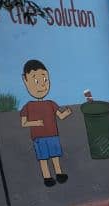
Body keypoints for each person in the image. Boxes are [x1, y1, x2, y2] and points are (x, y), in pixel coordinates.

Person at [20, 59, 72, 187]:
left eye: (45, 80)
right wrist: (36, 123)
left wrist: (67, 112)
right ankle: (47, 177)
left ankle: (59, 173)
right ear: (25, 80)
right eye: (36, 81)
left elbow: (60, 116)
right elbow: (24, 123)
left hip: (53, 135)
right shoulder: (28, 106)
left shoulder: (51, 103)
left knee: (55, 156)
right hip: (39, 138)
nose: (42, 85)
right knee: (43, 158)